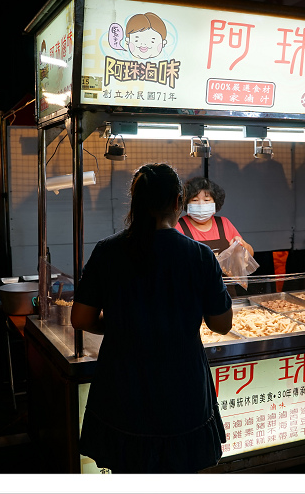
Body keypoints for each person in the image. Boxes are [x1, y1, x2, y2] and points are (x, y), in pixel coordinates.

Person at [71, 163, 233, 473]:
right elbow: (221, 324)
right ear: (177, 203)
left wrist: (118, 326)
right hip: (182, 384)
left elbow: (80, 318)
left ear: (135, 202)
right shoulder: (199, 256)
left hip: (123, 383)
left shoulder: (107, 251)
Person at [175, 176, 254, 258]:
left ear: (215, 203)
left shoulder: (223, 223)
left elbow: (250, 255)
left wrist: (242, 245)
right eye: (195, 200)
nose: (201, 205)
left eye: (206, 200)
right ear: (186, 203)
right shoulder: (178, 226)